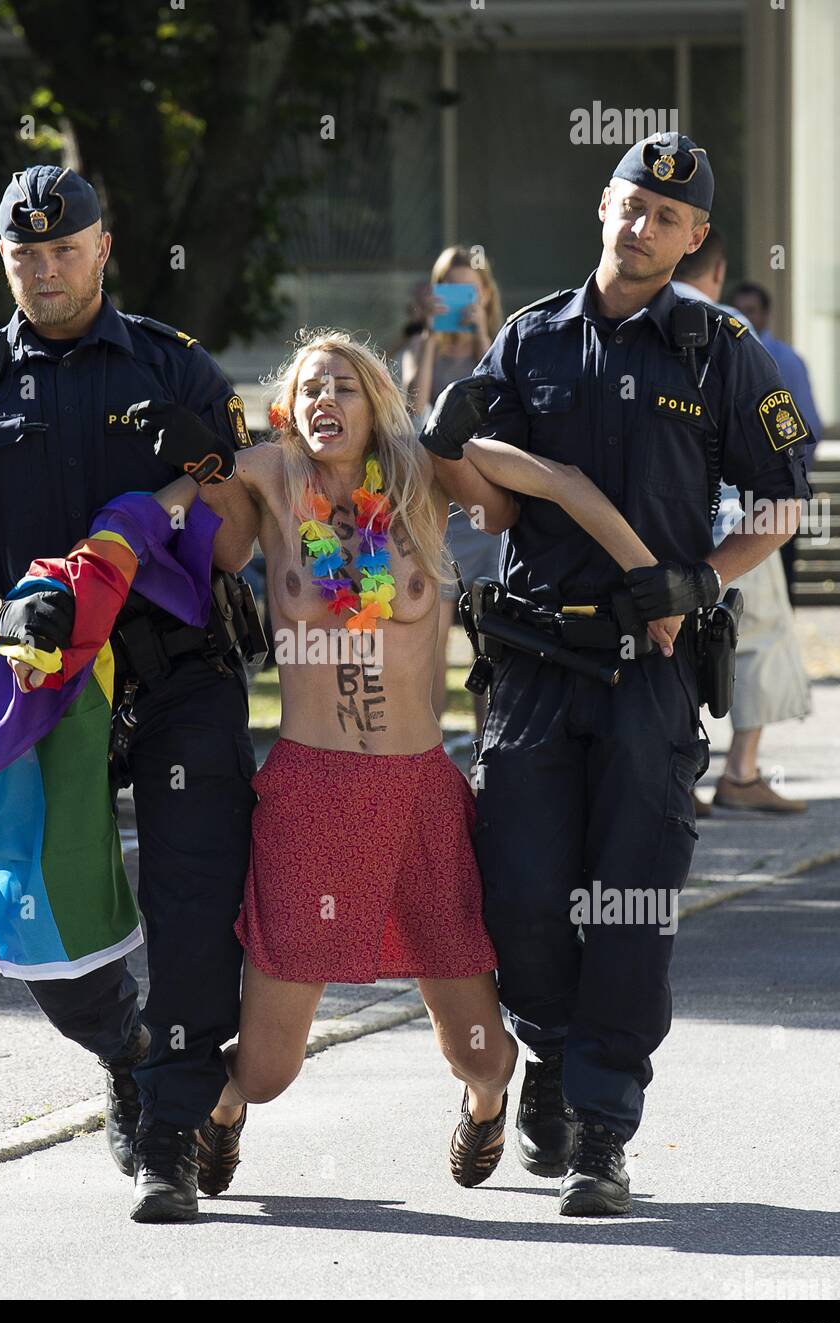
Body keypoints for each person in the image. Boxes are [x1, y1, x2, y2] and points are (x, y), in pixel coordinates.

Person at [140, 329, 683, 1199]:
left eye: (345, 388)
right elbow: (172, 515)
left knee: (478, 1050)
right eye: (311, 388)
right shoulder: (275, 476)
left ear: (378, 404)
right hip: (310, 795)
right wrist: (180, 480)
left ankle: (484, 1106)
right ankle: (226, 1111)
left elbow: (550, 486)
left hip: (417, 795)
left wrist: (653, 580)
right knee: (270, 1068)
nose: (326, 401)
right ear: (287, 407)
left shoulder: (424, 477)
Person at [422, 134, 814, 1216]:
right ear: (603, 204)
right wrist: (452, 449)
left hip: (648, 671)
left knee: (632, 905)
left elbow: (778, 503)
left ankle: (601, 1128)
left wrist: (696, 581)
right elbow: (489, 507)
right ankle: (547, 1050)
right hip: (535, 665)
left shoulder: (721, 349)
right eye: (631, 204)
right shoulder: (528, 339)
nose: (642, 226)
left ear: (694, 239)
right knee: (525, 900)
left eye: (666, 217)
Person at [0, 165, 263, 1225]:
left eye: (64, 250)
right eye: (24, 255)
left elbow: (245, 502)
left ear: (105, 248)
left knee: (191, 904)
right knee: (30, 905)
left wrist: (185, 492)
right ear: (2, 260)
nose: (45, 270)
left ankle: (169, 1137)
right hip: (40, 678)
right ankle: (128, 1047)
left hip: (178, 670)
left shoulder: (173, 366)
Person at [674, 236, 812, 814]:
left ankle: (675, 776)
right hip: (735, 511)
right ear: (719, 271)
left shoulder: (623, 320)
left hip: (653, 514)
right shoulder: (727, 327)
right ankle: (742, 771)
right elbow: (773, 439)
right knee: (757, 637)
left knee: (666, 636)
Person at [401, 246, 505, 730]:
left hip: (486, 511)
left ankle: (489, 752)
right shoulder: (419, 347)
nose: (461, 303)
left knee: (489, 636)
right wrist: (426, 338)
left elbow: (503, 406)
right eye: (451, 291)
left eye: (471, 290)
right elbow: (412, 414)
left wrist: (483, 330)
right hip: (437, 513)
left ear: (485, 294)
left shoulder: (501, 347)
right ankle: (430, 750)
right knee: (433, 638)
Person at [730, 280, 823, 604]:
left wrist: (791, 480)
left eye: (751, 311)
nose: (744, 316)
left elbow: (808, 426)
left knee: (779, 585)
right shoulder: (723, 351)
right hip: (735, 496)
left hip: (775, 494)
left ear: (766, 314)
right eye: (740, 310)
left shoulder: (785, 360)